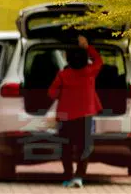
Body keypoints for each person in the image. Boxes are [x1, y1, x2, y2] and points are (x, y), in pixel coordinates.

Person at [48, 35, 103, 188]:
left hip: (66, 117)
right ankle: (79, 177)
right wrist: (87, 47)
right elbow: (99, 61)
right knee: (84, 147)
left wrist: (62, 92)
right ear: (86, 60)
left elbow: (51, 93)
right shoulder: (90, 72)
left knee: (66, 147)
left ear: (68, 60)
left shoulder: (63, 75)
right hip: (86, 116)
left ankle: (67, 177)